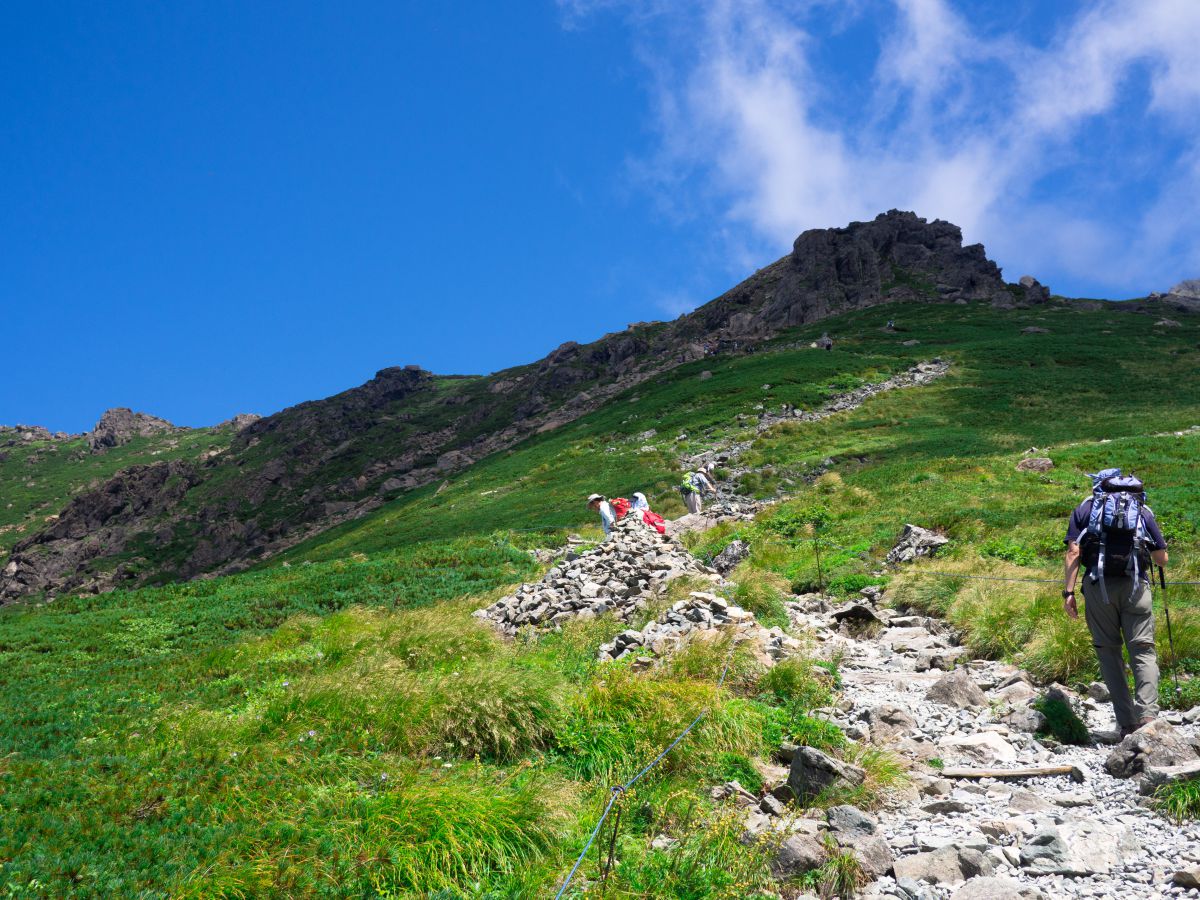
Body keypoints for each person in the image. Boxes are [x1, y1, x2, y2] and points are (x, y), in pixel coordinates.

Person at [1063, 470, 1169, 737]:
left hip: (1098, 588)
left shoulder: (1086, 509)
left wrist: (1069, 592)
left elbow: (1074, 551)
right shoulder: (1142, 509)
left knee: (1109, 652)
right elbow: (1161, 559)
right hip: (1136, 587)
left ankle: (1127, 723)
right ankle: (1147, 716)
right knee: (1143, 650)